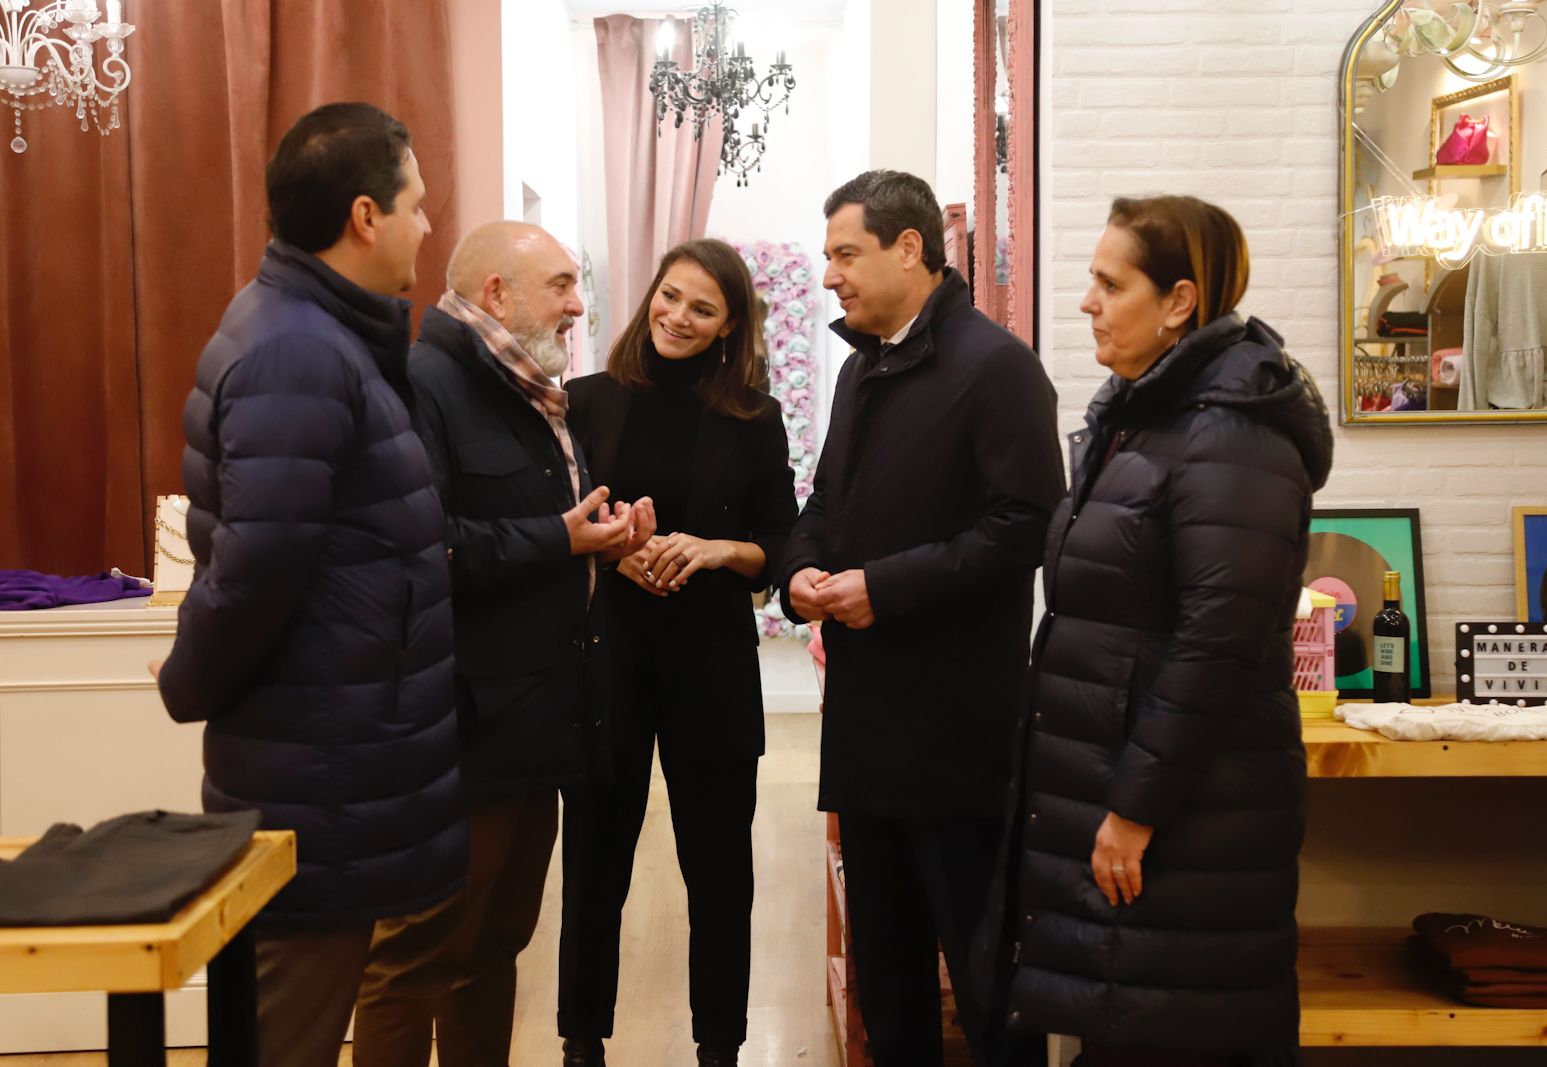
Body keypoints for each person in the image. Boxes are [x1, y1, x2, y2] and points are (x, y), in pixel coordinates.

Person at [155, 102, 466, 1067]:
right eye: (416, 206)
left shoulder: (323, 334)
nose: (427, 225)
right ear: (366, 216)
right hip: (314, 765)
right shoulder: (297, 350)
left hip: (333, 754)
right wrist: (186, 684)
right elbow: (253, 575)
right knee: (287, 1032)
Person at [998, 196, 1332, 1067]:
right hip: (1132, 791)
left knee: (1174, 1030)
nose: (1088, 302)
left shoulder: (1232, 434)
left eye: (1111, 283)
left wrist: (1136, 808)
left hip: (1184, 813)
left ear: (1180, 302)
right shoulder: (1144, 415)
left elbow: (1220, 639)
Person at [778, 170, 1065, 1067]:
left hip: (957, 735)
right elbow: (823, 498)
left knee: (985, 986)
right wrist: (800, 569)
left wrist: (882, 587)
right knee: (889, 981)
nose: (831, 276)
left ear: (911, 249)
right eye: (829, 257)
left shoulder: (997, 367)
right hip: (867, 731)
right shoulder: (861, 368)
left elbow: (1027, 526)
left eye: (846, 254)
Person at [351, 221, 655, 1065]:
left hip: (532, 726)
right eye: (559, 284)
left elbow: (531, 528)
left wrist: (605, 535)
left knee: (492, 947)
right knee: (416, 957)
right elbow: (422, 549)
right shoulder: (425, 383)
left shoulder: (525, 389)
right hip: (456, 731)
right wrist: (562, 540)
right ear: (496, 294)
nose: (575, 304)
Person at [557, 238, 798, 1067]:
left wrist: (715, 549)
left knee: (719, 873)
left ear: (731, 325)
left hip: (713, 670)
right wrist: (615, 550)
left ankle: (720, 1047)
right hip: (607, 662)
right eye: (670, 296)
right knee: (594, 864)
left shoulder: (755, 417)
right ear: (649, 294)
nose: (678, 317)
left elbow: (781, 545)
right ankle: (581, 1040)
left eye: (703, 308)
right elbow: (556, 531)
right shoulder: (583, 401)